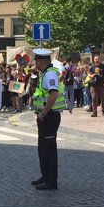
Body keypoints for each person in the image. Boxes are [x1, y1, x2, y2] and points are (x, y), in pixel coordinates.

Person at [31, 49, 65, 191]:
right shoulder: (45, 73)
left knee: (49, 150)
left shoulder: (49, 74)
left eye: (36, 61)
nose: (35, 64)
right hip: (46, 116)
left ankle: (51, 181)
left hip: (49, 116)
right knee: (43, 149)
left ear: (41, 61)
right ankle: (45, 175)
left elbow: (54, 94)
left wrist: (44, 113)